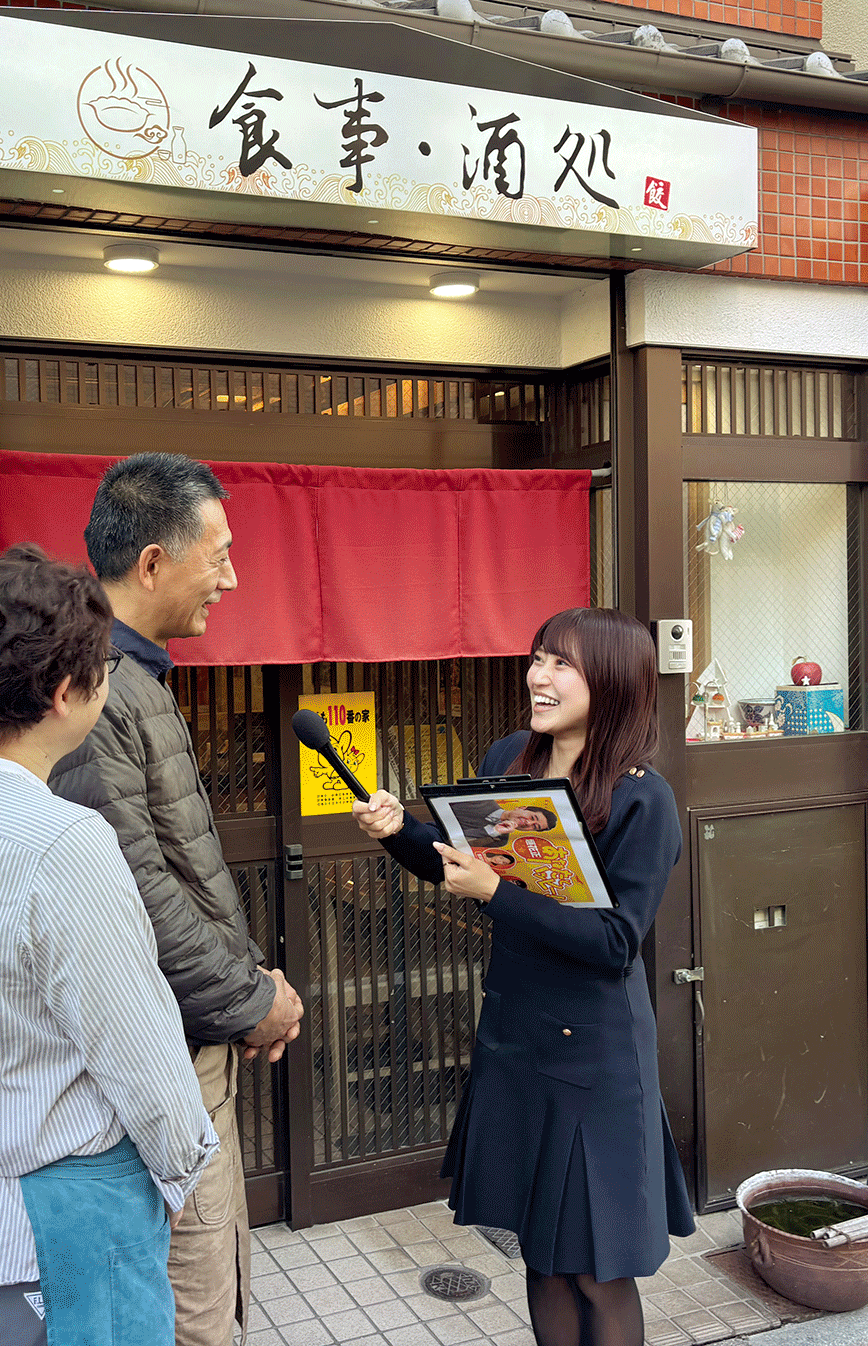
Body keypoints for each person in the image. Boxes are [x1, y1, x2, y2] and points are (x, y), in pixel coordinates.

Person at [0, 545, 220, 1346]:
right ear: (65, 692)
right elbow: (141, 1053)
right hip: (58, 1227)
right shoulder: (63, 840)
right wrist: (182, 1169)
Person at [353, 607, 692, 1346]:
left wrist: (497, 895)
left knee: (596, 1267)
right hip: (515, 1035)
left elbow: (615, 942)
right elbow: (463, 865)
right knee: (542, 1251)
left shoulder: (644, 798)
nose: (539, 675)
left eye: (562, 663)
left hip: (595, 1056)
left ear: (612, 680)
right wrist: (399, 831)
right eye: (538, 658)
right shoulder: (511, 756)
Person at [47, 451, 303, 1346]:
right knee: (192, 1298)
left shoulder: (132, 677)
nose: (231, 580)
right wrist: (251, 1000)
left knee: (209, 1274)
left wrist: (248, 983)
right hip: (161, 1049)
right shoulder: (97, 690)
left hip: (187, 1030)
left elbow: (176, 871)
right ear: (153, 562)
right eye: (219, 555)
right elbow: (135, 893)